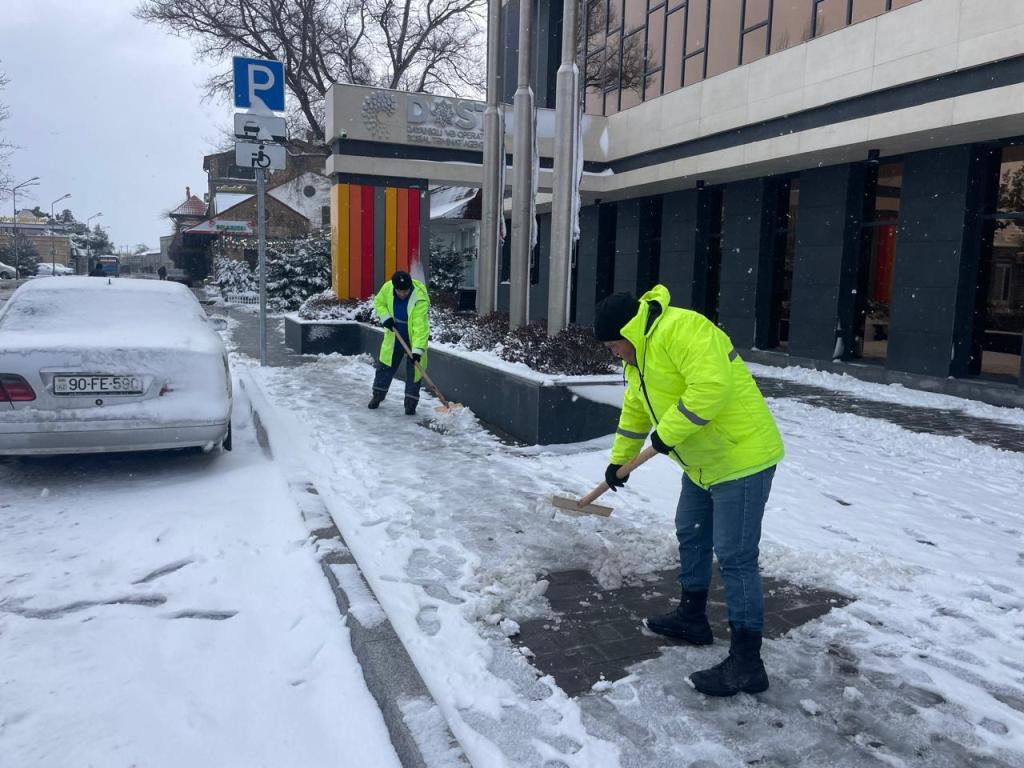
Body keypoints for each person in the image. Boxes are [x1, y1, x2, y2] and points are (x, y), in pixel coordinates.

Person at [593, 285, 784, 697]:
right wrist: (618, 461)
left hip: (741, 456)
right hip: (701, 463)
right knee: (692, 533)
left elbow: (710, 388)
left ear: (628, 330)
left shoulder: (683, 329)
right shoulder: (638, 357)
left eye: (613, 345)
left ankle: (748, 663)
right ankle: (692, 617)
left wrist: (665, 437)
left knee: (735, 556)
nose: (614, 353)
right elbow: (636, 410)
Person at [369, 270, 430, 415]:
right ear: (394, 287)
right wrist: (385, 317)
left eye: (405, 291)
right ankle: (378, 395)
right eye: (399, 291)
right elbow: (379, 302)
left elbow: (420, 327)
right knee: (385, 365)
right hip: (394, 334)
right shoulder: (388, 288)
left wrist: (417, 350)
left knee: (415, 370)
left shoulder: (419, 297)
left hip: (413, 337)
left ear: (410, 287)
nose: (402, 294)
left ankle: (410, 403)